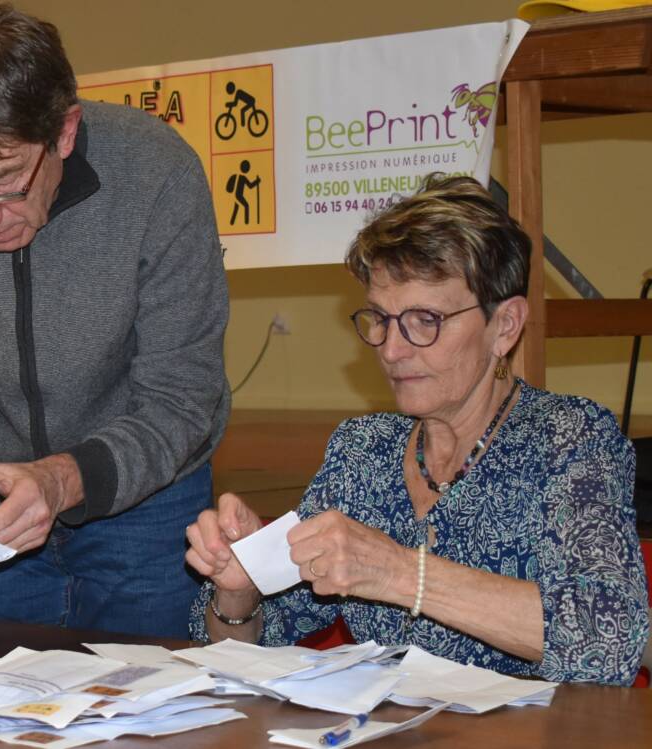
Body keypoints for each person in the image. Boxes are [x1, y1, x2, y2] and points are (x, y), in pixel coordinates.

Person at [186, 175, 649, 685]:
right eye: (381, 318)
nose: (391, 348)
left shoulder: (569, 439)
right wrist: (242, 585)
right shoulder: (363, 452)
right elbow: (256, 640)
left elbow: (609, 641)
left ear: (506, 325)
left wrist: (401, 573)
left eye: (425, 319)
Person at [0, 3, 229, 639]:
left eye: (4, 183)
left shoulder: (157, 174)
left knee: (148, 718)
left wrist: (64, 479)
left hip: (143, 502)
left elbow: (181, 395)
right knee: (0, 721)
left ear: (64, 131)